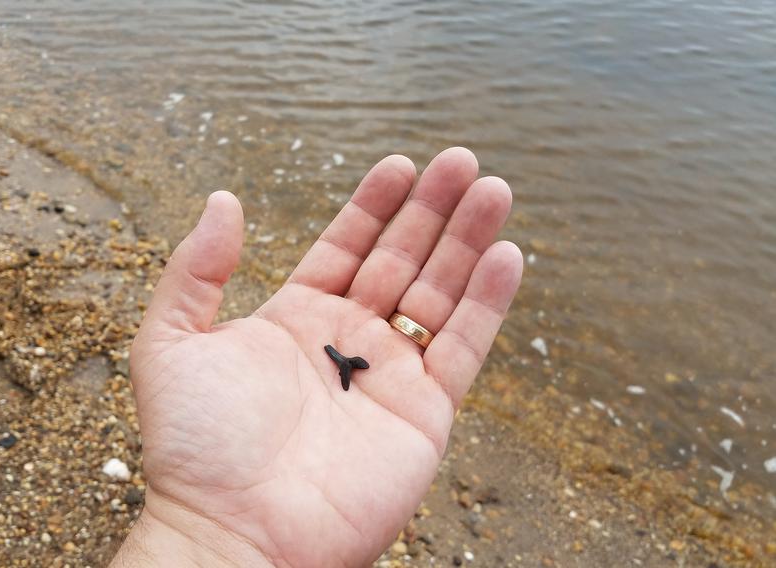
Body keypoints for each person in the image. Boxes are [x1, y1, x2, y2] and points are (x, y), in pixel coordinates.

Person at [110, 147, 522, 567]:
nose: (350, 368)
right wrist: (204, 521)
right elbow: (342, 358)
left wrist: (199, 530)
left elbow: (344, 359)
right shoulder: (346, 363)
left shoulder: (347, 364)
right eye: (350, 366)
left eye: (351, 366)